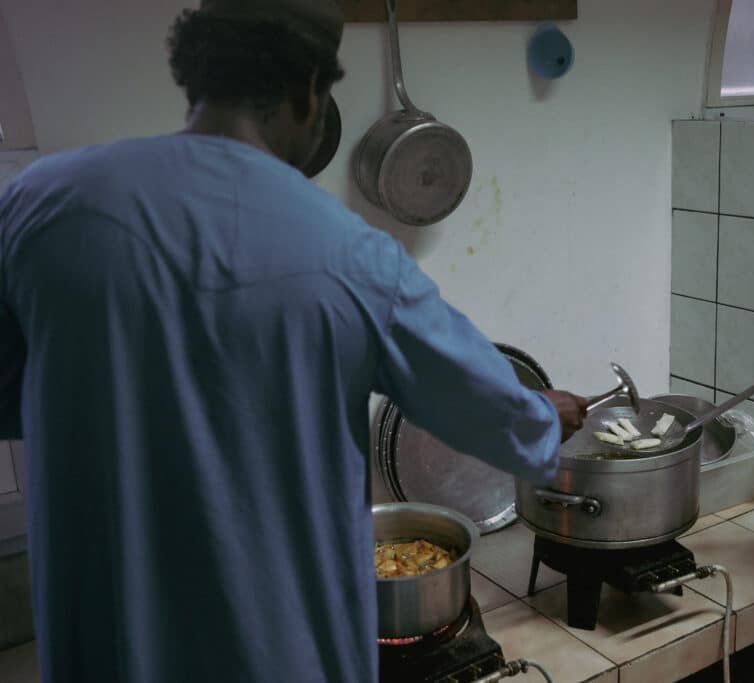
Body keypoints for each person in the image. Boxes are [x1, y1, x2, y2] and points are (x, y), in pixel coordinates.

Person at [0, 2, 589, 681]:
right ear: (309, 90)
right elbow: (480, 404)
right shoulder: (353, 257)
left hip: (103, 650)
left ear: (197, 78)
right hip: (280, 654)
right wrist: (545, 413)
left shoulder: (43, 204)